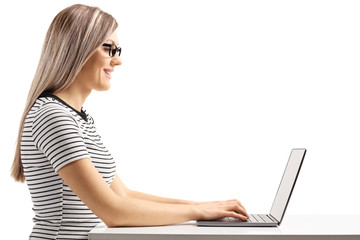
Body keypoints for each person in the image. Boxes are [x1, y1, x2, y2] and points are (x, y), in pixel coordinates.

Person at [10, 4, 249, 240]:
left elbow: (123, 196)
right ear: (78, 49)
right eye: (109, 49)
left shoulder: (78, 117)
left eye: (118, 50)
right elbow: (113, 212)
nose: (117, 61)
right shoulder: (52, 115)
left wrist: (204, 207)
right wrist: (197, 212)